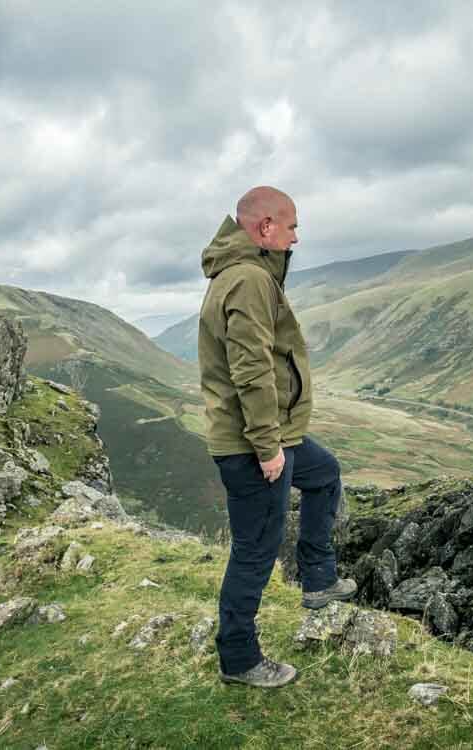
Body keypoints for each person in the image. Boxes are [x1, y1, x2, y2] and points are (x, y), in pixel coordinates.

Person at [197, 185, 357, 689]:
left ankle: (318, 580)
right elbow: (252, 370)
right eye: (291, 227)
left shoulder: (252, 274)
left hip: (278, 436)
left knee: (324, 473)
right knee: (255, 550)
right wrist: (267, 448)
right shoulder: (247, 280)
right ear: (264, 227)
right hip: (253, 444)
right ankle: (239, 658)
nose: (295, 238)